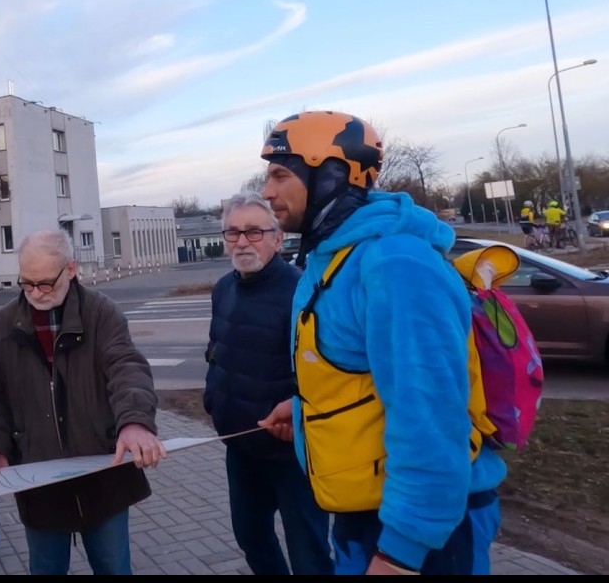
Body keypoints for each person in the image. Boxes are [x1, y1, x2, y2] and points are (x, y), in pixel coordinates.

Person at [256, 110, 506, 575]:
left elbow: (432, 418)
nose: (267, 191)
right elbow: (357, 371)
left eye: (280, 174)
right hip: (365, 514)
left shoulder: (395, 265)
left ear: (331, 176)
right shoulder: (332, 259)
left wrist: (400, 553)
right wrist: (305, 407)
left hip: (424, 534)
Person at [0, 229, 166, 575]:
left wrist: (134, 422)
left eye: (45, 283)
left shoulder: (100, 313)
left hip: (103, 474)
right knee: (46, 569)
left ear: (71, 269)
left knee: (113, 567)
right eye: (26, 283)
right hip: (38, 480)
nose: (35, 294)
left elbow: (126, 366)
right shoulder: (2, 326)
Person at [204, 191, 333, 575]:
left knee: (308, 555)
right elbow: (217, 349)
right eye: (233, 232)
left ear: (278, 239)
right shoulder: (223, 288)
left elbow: (325, 372)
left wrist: (298, 411)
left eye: (254, 232)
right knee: (251, 538)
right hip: (241, 448)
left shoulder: (301, 292)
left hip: (292, 454)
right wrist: (214, 400)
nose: (242, 241)